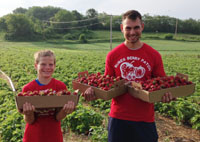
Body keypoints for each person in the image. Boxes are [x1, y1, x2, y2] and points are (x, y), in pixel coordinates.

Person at [84, 10, 175, 142]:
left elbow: (162, 85)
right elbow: (107, 85)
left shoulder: (154, 55)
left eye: (136, 27)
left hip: (145, 119)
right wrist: (94, 93)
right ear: (122, 28)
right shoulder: (113, 55)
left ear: (142, 26)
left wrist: (166, 95)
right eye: (128, 28)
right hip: (118, 118)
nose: (132, 32)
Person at [20, 50, 75, 142]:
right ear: (36, 65)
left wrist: (65, 111)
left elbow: (57, 117)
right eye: (43, 64)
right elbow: (30, 121)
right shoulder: (28, 89)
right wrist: (28, 113)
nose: (47, 67)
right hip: (33, 136)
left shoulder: (60, 87)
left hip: (54, 135)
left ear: (55, 66)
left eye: (50, 64)